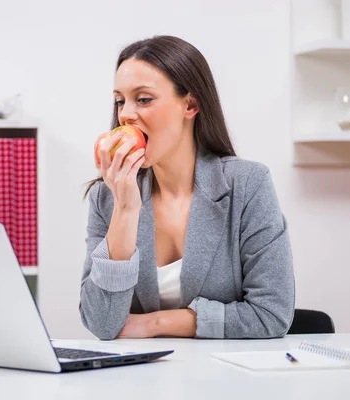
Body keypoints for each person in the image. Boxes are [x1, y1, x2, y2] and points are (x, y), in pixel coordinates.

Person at [79, 35, 294, 340]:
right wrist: (125, 211)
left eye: (143, 99)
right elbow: (101, 323)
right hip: (136, 382)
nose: (125, 114)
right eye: (120, 101)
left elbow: (272, 314)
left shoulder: (247, 185)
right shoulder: (108, 196)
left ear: (190, 104)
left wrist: (155, 323)